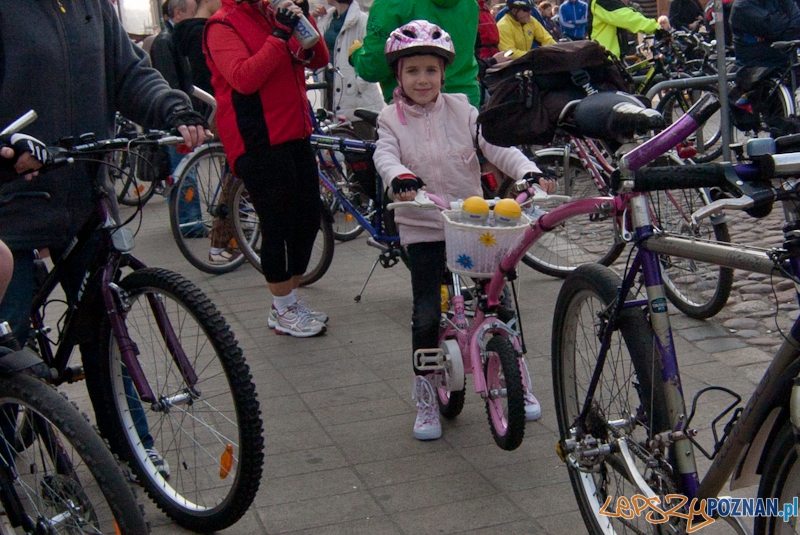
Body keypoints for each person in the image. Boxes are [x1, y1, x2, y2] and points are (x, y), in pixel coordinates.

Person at [0, 1, 209, 478]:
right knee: (6, 342)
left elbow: (130, 75)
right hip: (12, 203)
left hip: (84, 194)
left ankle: (132, 447)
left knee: (106, 329)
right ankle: (6, 466)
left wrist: (173, 110)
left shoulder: (90, 6)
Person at [372, 20, 556, 441]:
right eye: (413, 71)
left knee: (500, 305)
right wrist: (400, 177)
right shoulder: (389, 119)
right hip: (423, 227)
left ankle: (516, 377)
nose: (423, 79)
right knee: (424, 314)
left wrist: (528, 171)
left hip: (474, 227)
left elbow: (497, 147)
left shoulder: (464, 110)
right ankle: (425, 393)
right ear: (398, 75)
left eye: (431, 70)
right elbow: (385, 155)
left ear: (444, 73)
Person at [204, 0, 331, 337]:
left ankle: (286, 302)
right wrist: (278, 35)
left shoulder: (277, 14)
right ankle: (283, 305)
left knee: (308, 218)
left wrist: (301, 20)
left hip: (295, 131)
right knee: (277, 222)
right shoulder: (222, 25)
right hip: (256, 138)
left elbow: (319, 58)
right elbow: (244, 78)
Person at [348, 0, 481, 107]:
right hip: (465, 102)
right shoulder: (469, 3)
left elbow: (375, 67)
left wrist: (355, 53)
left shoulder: (390, 4)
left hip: (412, 107)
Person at [311, 0, 385, 139]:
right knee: (338, 149)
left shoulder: (362, 20)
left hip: (357, 99)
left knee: (363, 148)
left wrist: (358, 84)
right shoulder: (328, 18)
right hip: (331, 91)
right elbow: (314, 45)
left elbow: (371, 56)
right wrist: (313, 19)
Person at [730, 0, 800, 68]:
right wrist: (787, 21)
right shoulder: (742, 5)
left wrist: (780, 31)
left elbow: (797, 20)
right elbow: (771, 28)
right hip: (756, 64)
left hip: (785, 58)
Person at [589, 0, 662, 58]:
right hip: (606, 59)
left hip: (611, 59)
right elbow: (627, 17)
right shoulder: (602, 2)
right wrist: (656, 28)